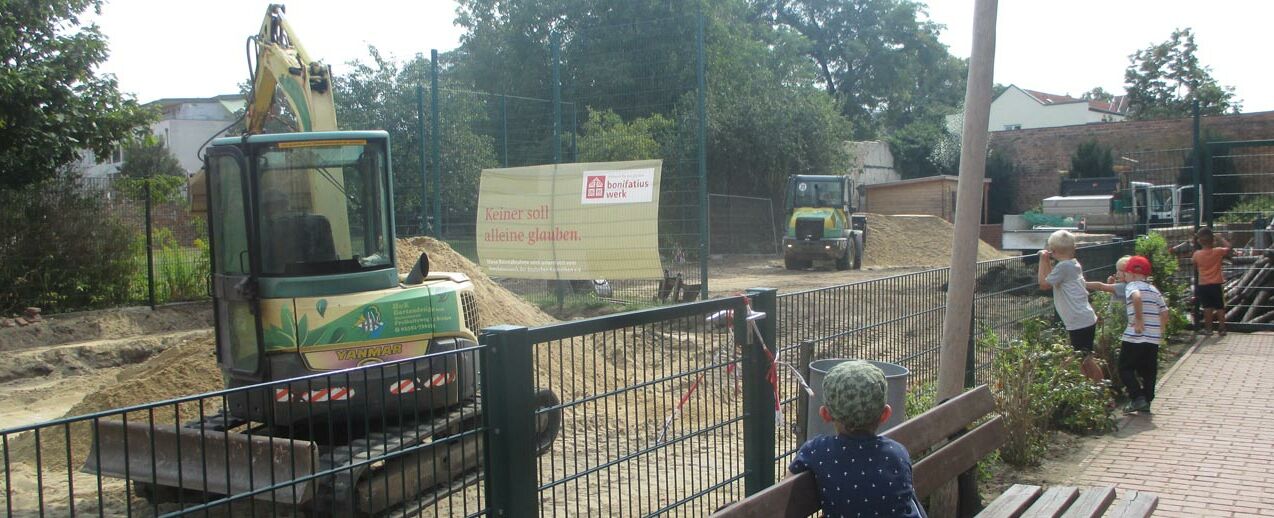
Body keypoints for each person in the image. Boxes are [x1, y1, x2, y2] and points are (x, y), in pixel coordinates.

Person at [789, 361, 923, 518]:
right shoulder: (898, 453)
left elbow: (783, 491)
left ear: (825, 414)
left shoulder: (816, 450)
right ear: (885, 414)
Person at [1038, 230, 1103, 382]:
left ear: (1053, 250)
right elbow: (1050, 279)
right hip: (1082, 318)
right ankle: (1090, 390)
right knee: (1083, 359)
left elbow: (1043, 283)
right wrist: (1048, 260)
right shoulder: (1072, 264)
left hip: (1079, 321)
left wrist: (1042, 259)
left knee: (1085, 359)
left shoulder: (1064, 268)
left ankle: (1103, 393)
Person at [1119, 256, 1169, 414]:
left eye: (1125, 273)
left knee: (1124, 367)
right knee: (1148, 370)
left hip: (1135, 336)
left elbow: (1136, 297)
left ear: (1131, 274)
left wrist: (1139, 320)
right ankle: (1147, 400)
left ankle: (1137, 396)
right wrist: (1161, 330)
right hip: (1152, 338)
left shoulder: (1132, 285)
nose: (1125, 277)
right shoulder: (1154, 290)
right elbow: (1165, 311)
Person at [1191, 227, 1232, 336]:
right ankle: (1222, 328)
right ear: (1213, 240)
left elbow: (1194, 265)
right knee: (1220, 306)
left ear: (1199, 241)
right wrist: (1220, 238)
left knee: (1207, 307)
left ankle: (1209, 329)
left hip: (1203, 284)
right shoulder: (1218, 251)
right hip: (1216, 283)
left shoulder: (1197, 254)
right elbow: (1228, 248)